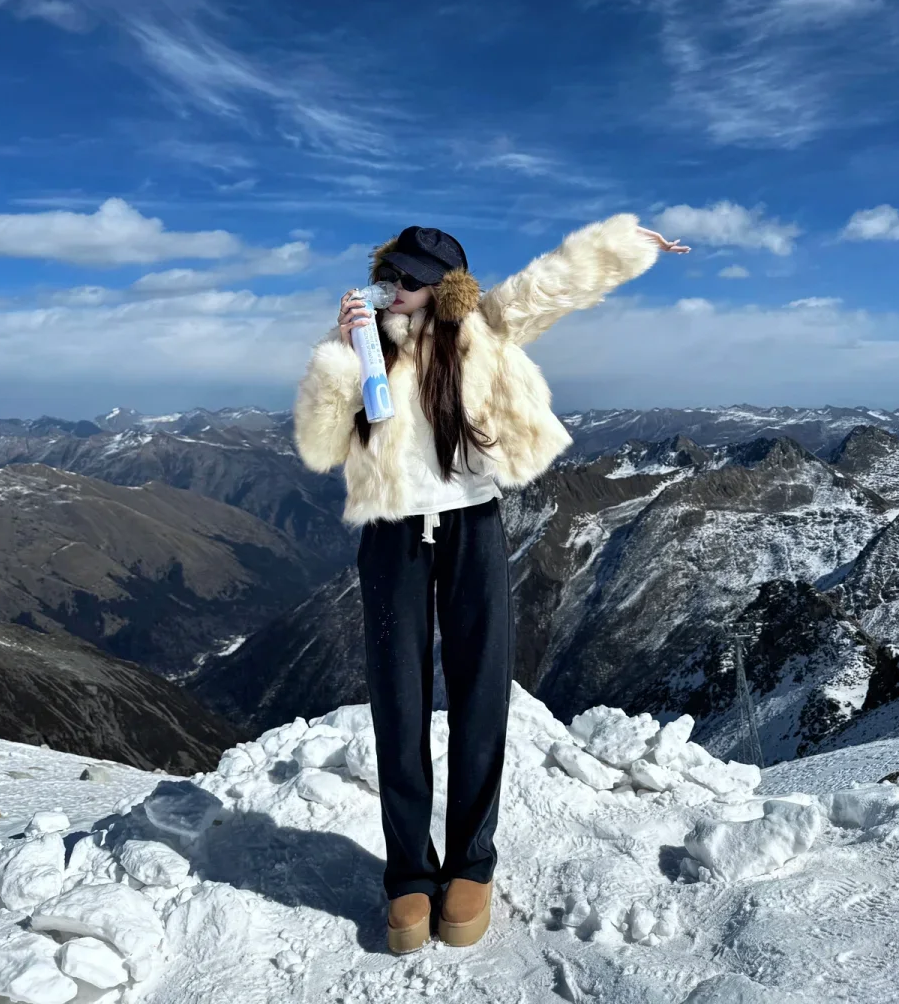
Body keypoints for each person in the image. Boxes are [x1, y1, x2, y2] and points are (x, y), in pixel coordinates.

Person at [293, 212, 689, 954]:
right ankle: (409, 874)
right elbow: (319, 447)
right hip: (391, 535)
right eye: (393, 273)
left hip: (475, 525)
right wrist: (341, 355)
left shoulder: (484, 328)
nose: (399, 287)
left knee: (481, 695)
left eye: (415, 278)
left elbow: (557, 283)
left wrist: (633, 244)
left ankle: (471, 864)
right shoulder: (362, 345)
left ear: (448, 289)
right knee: (398, 703)